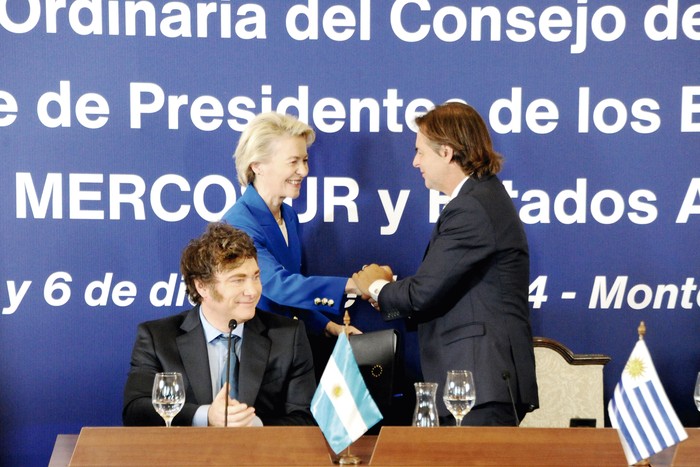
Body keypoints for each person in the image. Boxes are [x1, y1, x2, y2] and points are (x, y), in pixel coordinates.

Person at [352, 102, 539, 426]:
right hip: (477, 384)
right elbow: (443, 285)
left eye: (420, 152)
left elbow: (425, 292)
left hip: (480, 385)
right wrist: (386, 288)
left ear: (447, 152)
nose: (414, 161)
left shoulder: (472, 207)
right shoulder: (480, 200)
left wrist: (376, 287)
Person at [123, 222, 316, 427]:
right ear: (202, 286)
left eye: (256, 277)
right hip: (186, 457)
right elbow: (135, 411)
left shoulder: (288, 336)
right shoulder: (158, 338)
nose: (252, 291)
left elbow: (305, 419)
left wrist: (255, 425)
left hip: (262, 456)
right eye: (238, 280)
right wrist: (205, 416)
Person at [221, 112, 361, 338]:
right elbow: (278, 286)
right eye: (293, 162)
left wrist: (329, 327)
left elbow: (295, 295)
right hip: (255, 348)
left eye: (304, 160)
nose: (304, 171)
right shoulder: (238, 223)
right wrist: (354, 285)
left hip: (288, 346)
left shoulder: (289, 215)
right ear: (257, 166)